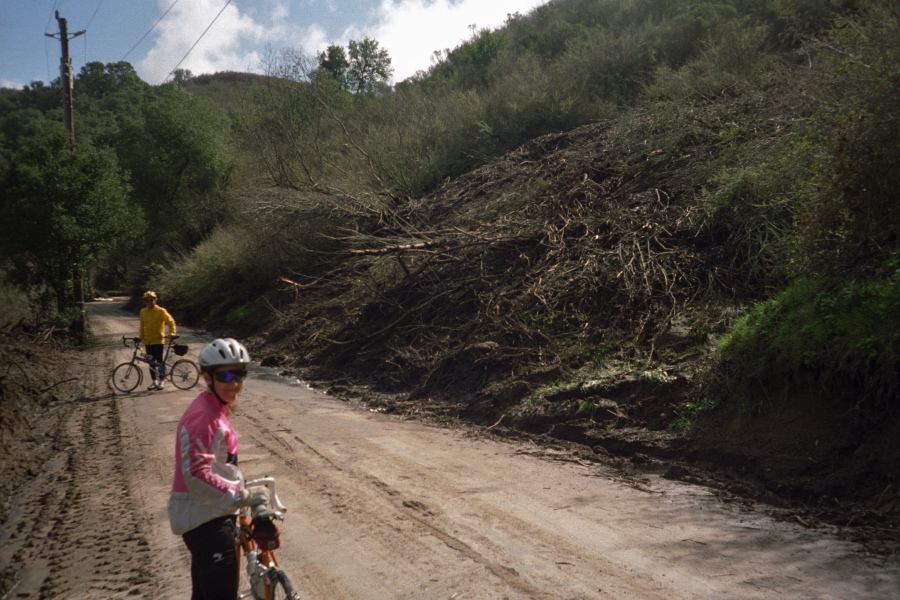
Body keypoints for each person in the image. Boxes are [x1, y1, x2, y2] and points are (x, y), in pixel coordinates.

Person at [168, 338, 271, 600]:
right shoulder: (203, 415)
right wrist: (241, 496)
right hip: (204, 520)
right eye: (226, 375)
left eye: (240, 374)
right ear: (207, 376)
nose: (234, 383)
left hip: (211, 511)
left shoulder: (214, 408)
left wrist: (239, 485)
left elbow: (219, 464)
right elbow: (196, 474)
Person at [138, 290, 177, 390]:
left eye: (152, 300)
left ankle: (161, 381)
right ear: (145, 301)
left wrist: (171, 333)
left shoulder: (161, 311)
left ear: (155, 300)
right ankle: (154, 382)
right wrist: (141, 338)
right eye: (147, 300)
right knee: (151, 363)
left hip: (158, 341)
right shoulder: (143, 312)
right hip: (148, 341)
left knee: (159, 362)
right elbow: (142, 326)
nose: (150, 302)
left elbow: (171, 321)